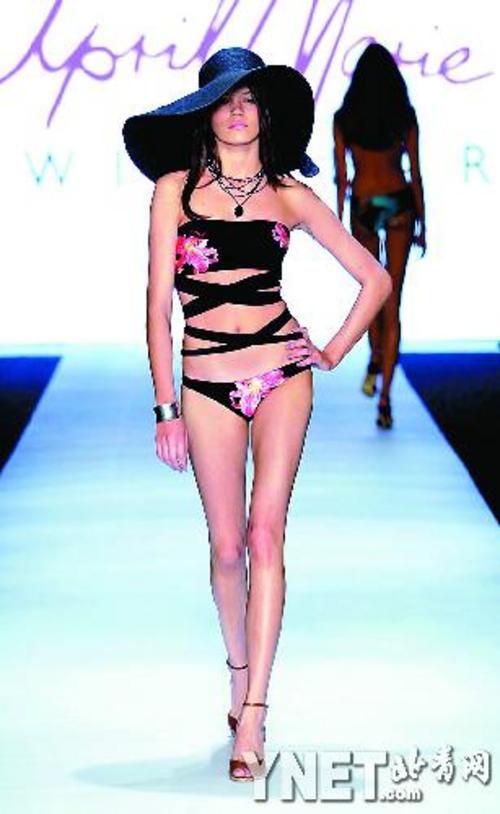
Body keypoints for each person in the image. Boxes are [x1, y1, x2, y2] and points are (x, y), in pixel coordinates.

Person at [123, 46, 392, 782]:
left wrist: (330, 351)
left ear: (265, 116)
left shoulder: (289, 195)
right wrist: (164, 407)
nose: (239, 111)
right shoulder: (173, 191)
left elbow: (374, 277)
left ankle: (255, 712)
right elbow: (156, 307)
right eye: (226, 99)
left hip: (281, 375)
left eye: (250, 100)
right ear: (205, 113)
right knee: (227, 546)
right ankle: (237, 673)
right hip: (205, 380)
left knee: (266, 534)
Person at [333, 42, 426, 429]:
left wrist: (338, 225)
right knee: (393, 301)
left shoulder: (345, 118)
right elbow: (415, 172)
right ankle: (385, 398)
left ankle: (374, 356)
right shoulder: (403, 116)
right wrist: (424, 223)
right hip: (398, 201)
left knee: (372, 292)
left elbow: (342, 178)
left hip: (366, 204)